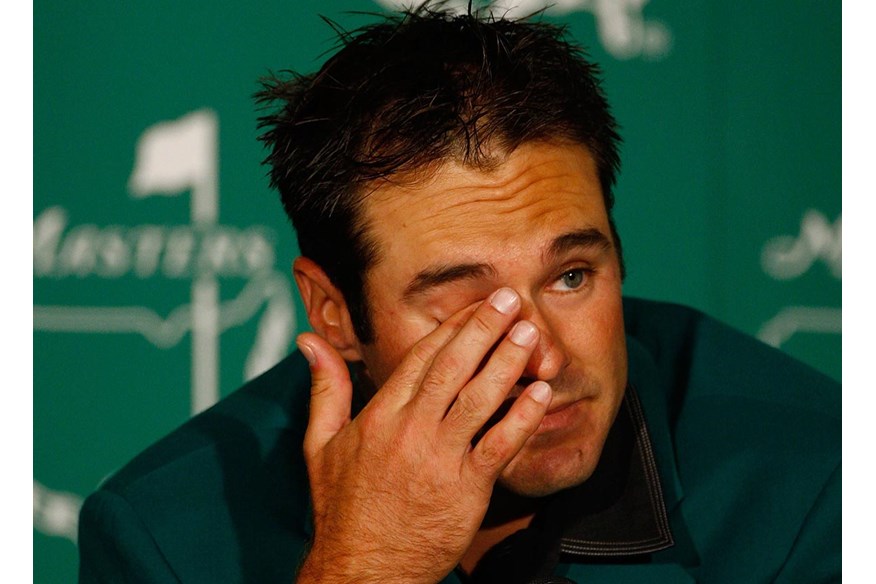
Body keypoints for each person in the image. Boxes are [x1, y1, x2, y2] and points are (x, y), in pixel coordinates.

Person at [77, 6, 841, 583]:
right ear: (335, 313)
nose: (541, 356)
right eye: (473, 307)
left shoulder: (816, 481)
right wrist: (363, 569)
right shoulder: (164, 540)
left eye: (570, 276)